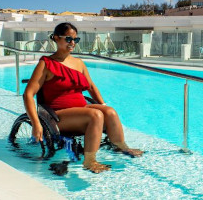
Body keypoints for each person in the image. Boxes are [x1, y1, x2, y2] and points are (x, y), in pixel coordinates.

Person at [23, 22, 143, 173]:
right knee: (96, 115)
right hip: (57, 115)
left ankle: (121, 147)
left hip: (80, 110)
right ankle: (89, 161)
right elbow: (28, 93)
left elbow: (91, 87)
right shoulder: (46, 64)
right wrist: (36, 123)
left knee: (110, 112)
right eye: (68, 39)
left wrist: (103, 105)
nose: (72, 43)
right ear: (55, 38)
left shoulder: (78, 63)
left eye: (75, 40)